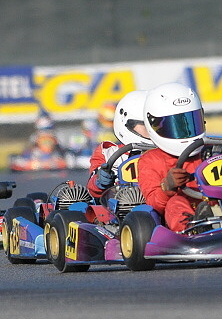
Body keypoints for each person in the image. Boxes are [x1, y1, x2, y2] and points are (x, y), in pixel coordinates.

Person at [135, 83, 212, 232]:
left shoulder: (210, 150)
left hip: (214, 204)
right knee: (175, 201)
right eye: (176, 126)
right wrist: (167, 186)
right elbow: (153, 204)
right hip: (177, 217)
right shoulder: (150, 160)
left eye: (190, 122)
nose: (185, 130)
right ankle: (193, 229)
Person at [87, 90, 151, 199]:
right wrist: (99, 181)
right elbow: (92, 189)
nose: (152, 129)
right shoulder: (108, 152)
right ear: (126, 123)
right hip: (121, 205)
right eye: (146, 125)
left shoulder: (169, 150)